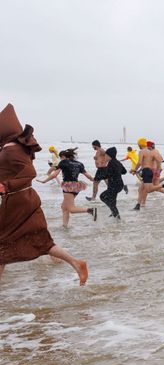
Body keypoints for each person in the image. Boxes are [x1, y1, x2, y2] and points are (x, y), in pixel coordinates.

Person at [0, 103, 88, 285]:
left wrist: (5, 186)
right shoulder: (15, 148)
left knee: (3, 242)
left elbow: (29, 173)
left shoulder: (11, 149)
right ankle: (76, 263)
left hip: (18, 200)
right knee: (40, 239)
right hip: (23, 198)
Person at [38, 148, 98, 226]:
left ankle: (91, 210)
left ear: (63, 156)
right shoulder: (79, 164)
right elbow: (89, 176)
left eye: (60, 157)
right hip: (77, 186)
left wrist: (45, 181)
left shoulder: (63, 162)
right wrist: (95, 179)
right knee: (64, 207)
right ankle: (65, 226)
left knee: (71, 209)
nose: (60, 159)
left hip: (68, 186)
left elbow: (54, 174)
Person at [132, 138, 164, 210]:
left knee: (147, 189)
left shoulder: (146, 151)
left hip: (150, 171)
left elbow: (140, 162)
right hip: (153, 171)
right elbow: (160, 159)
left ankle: (142, 203)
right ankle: (138, 205)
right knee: (142, 189)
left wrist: (134, 170)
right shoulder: (154, 151)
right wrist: (158, 168)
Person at [93, 147, 127, 219]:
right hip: (119, 184)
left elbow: (107, 175)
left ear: (109, 156)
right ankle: (114, 213)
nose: (105, 157)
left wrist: (98, 177)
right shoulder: (118, 162)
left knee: (102, 196)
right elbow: (124, 171)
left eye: (106, 155)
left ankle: (115, 213)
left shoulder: (111, 163)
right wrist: (117, 172)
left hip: (114, 185)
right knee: (112, 199)